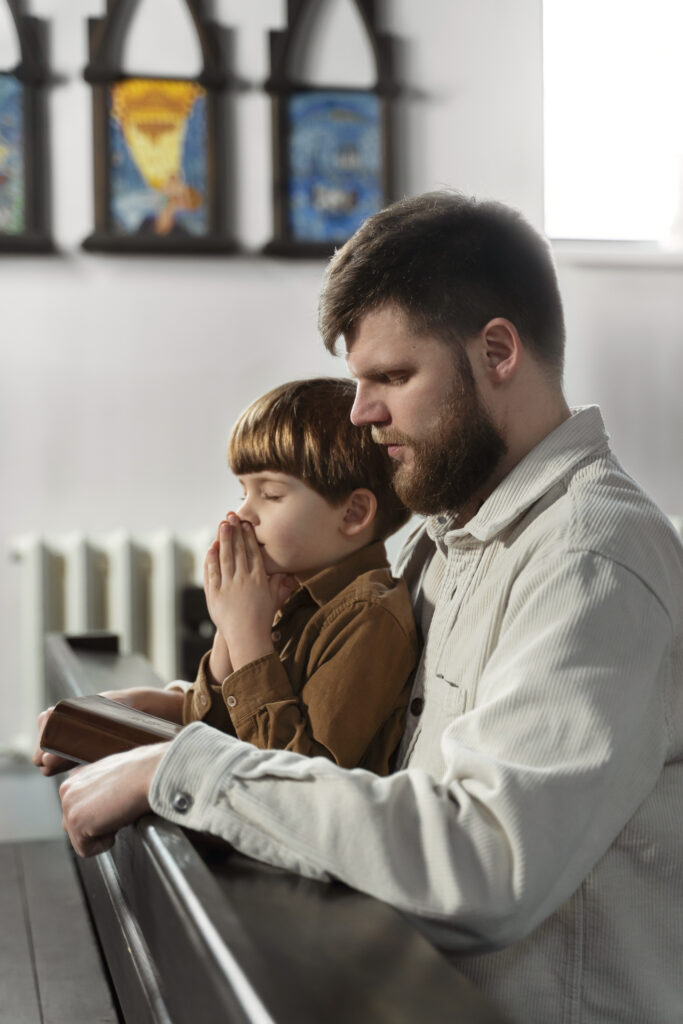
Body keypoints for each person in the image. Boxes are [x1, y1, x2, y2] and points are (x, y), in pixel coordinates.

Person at [45, 192, 683, 1024]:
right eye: (358, 380)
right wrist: (175, 711)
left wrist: (186, 769)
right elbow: (358, 748)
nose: (360, 412)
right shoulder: (439, 541)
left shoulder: (590, 558)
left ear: (496, 350)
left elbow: (484, 857)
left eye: (391, 376)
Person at [36, 377, 418, 776]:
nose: (241, 515)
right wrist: (225, 634)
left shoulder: (369, 618)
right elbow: (220, 725)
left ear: (353, 514)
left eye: (270, 495)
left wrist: (246, 633)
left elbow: (296, 776)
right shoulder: (284, 590)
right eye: (243, 493)